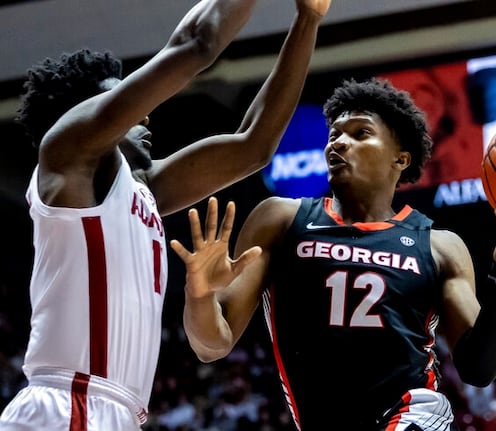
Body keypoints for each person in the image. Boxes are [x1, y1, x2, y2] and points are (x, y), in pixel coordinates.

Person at [170, 77, 496, 431]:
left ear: (400, 159)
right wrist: (199, 293)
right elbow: (211, 345)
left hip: (415, 414)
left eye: (360, 133)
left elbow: (479, 368)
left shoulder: (439, 246)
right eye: (334, 135)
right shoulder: (279, 218)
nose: (339, 142)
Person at [0, 0, 331, 429]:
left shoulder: (143, 189)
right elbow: (196, 42)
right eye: (120, 97)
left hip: (117, 411)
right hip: (69, 402)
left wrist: (308, 20)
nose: (145, 112)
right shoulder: (66, 155)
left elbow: (255, 146)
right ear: (87, 114)